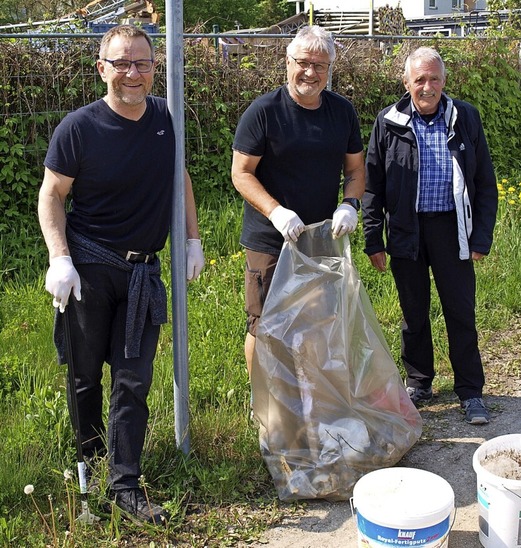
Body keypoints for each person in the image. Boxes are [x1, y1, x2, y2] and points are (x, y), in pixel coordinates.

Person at [38, 24, 204, 523]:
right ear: (102, 69)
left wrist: (193, 239)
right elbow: (51, 194)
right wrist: (59, 258)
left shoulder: (163, 118)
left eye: (144, 63)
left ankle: (124, 485)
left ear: (155, 67)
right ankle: (87, 467)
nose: (133, 73)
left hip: (142, 277)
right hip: (89, 268)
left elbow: (181, 176)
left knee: (133, 380)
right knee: (86, 376)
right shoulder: (79, 128)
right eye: (122, 63)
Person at [362, 47, 497, 424]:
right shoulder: (388, 122)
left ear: (444, 81)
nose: (427, 86)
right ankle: (419, 382)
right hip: (406, 229)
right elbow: (373, 185)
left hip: (452, 229)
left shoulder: (464, 117)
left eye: (434, 78)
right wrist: (373, 239)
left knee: (460, 311)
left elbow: (485, 183)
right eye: (419, 79)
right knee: (413, 313)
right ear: (406, 83)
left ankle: (470, 391)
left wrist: (480, 238)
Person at [231, 25, 365, 377]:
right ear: (287, 62)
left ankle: (309, 401)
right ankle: (264, 408)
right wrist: (276, 212)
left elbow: (355, 170)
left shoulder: (342, 112)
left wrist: (350, 204)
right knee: (264, 324)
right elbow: (241, 173)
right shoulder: (263, 112)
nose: (310, 72)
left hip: (321, 238)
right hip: (271, 241)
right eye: (303, 62)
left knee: (318, 321)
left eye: (320, 65)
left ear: (330, 68)